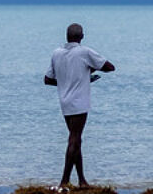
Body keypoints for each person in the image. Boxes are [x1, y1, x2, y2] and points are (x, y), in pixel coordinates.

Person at [43, 23, 115, 188]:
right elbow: (110, 67)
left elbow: (48, 79)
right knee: (74, 139)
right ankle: (64, 181)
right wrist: (88, 71)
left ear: (67, 36)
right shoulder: (84, 52)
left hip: (65, 101)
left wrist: (76, 78)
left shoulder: (57, 53)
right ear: (81, 36)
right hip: (79, 102)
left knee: (76, 140)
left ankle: (82, 181)